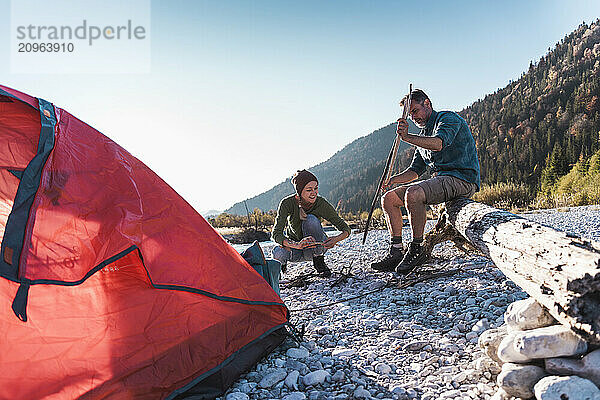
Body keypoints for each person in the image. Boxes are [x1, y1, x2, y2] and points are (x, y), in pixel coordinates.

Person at [371, 89, 480, 274]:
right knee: (388, 199)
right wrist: (391, 180)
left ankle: (417, 248)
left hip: (462, 179)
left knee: (414, 194)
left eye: (415, 111)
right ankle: (397, 250)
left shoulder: (448, 119)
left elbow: (438, 144)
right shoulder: (424, 133)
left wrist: (407, 137)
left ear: (427, 103)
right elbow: (414, 171)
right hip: (441, 181)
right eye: (409, 114)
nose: (413, 117)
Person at [271, 169, 351, 277]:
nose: (314, 193)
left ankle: (319, 261)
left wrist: (336, 239)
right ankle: (279, 269)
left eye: (316, 188)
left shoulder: (321, 203)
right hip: (296, 249)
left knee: (311, 220)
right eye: (309, 190)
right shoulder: (287, 203)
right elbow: (276, 234)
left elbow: (346, 229)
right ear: (299, 191)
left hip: (316, 247)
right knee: (277, 252)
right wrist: (296, 244)